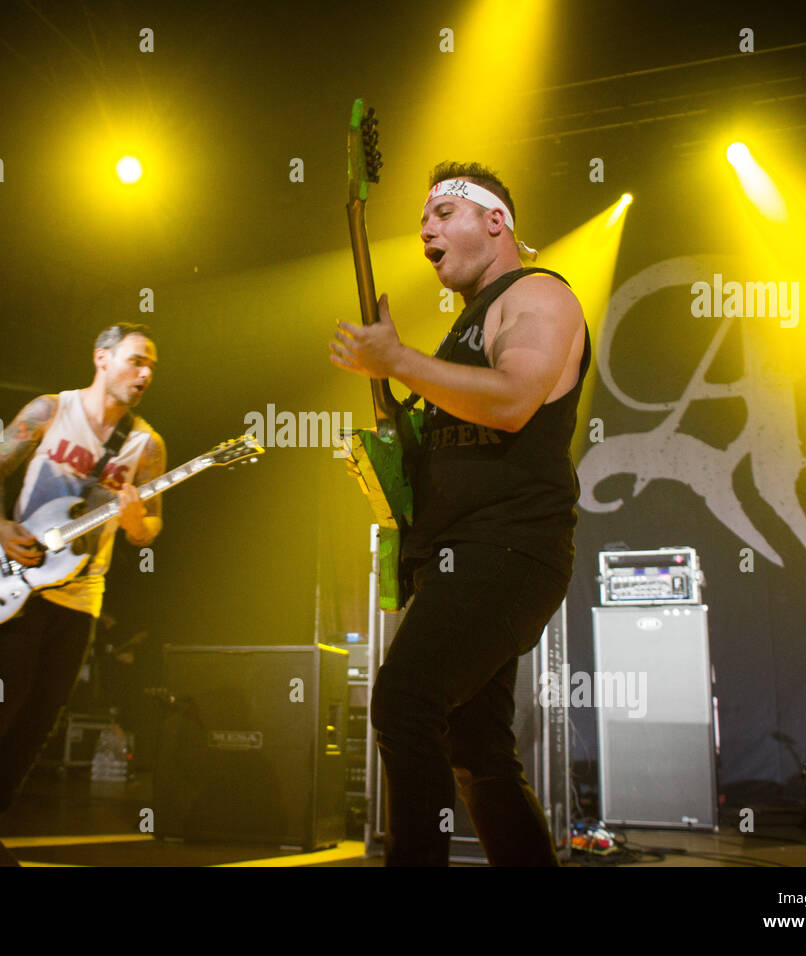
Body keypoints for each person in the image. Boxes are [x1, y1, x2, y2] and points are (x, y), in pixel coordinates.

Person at [329, 162, 590, 865]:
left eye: (444, 212)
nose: (425, 229)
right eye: (423, 217)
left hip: (507, 550)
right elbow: (456, 434)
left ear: (495, 222)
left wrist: (401, 360)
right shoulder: (465, 328)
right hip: (462, 552)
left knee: (405, 703)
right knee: (476, 748)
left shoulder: (538, 295)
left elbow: (509, 402)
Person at [0, 322, 165, 831]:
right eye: (136, 360)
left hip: (81, 601)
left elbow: (150, 526)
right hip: (21, 590)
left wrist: (135, 521)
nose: (145, 373)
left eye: (152, 365)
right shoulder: (51, 410)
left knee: (35, 727)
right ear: (102, 358)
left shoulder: (147, 446)